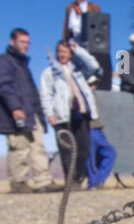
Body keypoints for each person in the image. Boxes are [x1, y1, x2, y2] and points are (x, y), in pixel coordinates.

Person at [0, 29, 56, 193]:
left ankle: (43, 181)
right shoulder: (3, 61)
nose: (26, 46)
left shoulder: (23, 65)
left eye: (28, 43)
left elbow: (32, 93)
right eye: (22, 42)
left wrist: (39, 115)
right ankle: (18, 182)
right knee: (19, 147)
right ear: (12, 41)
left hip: (32, 114)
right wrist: (15, 107)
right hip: (16, 113)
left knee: (37, 147)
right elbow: (3, 86)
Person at [40, 40, 97, 184]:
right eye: (59, 51)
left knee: (84, 147)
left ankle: (78, 176)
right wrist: (49, 114)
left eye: (65, 51)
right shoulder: (50, 72)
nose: (62, 54)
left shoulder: (79, 70)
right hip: (62, 115)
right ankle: (71, 182)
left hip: (81, 112)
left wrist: (78, 49)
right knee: (66, 150)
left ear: (71, 54)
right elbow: (45, 94)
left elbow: (94, 66)